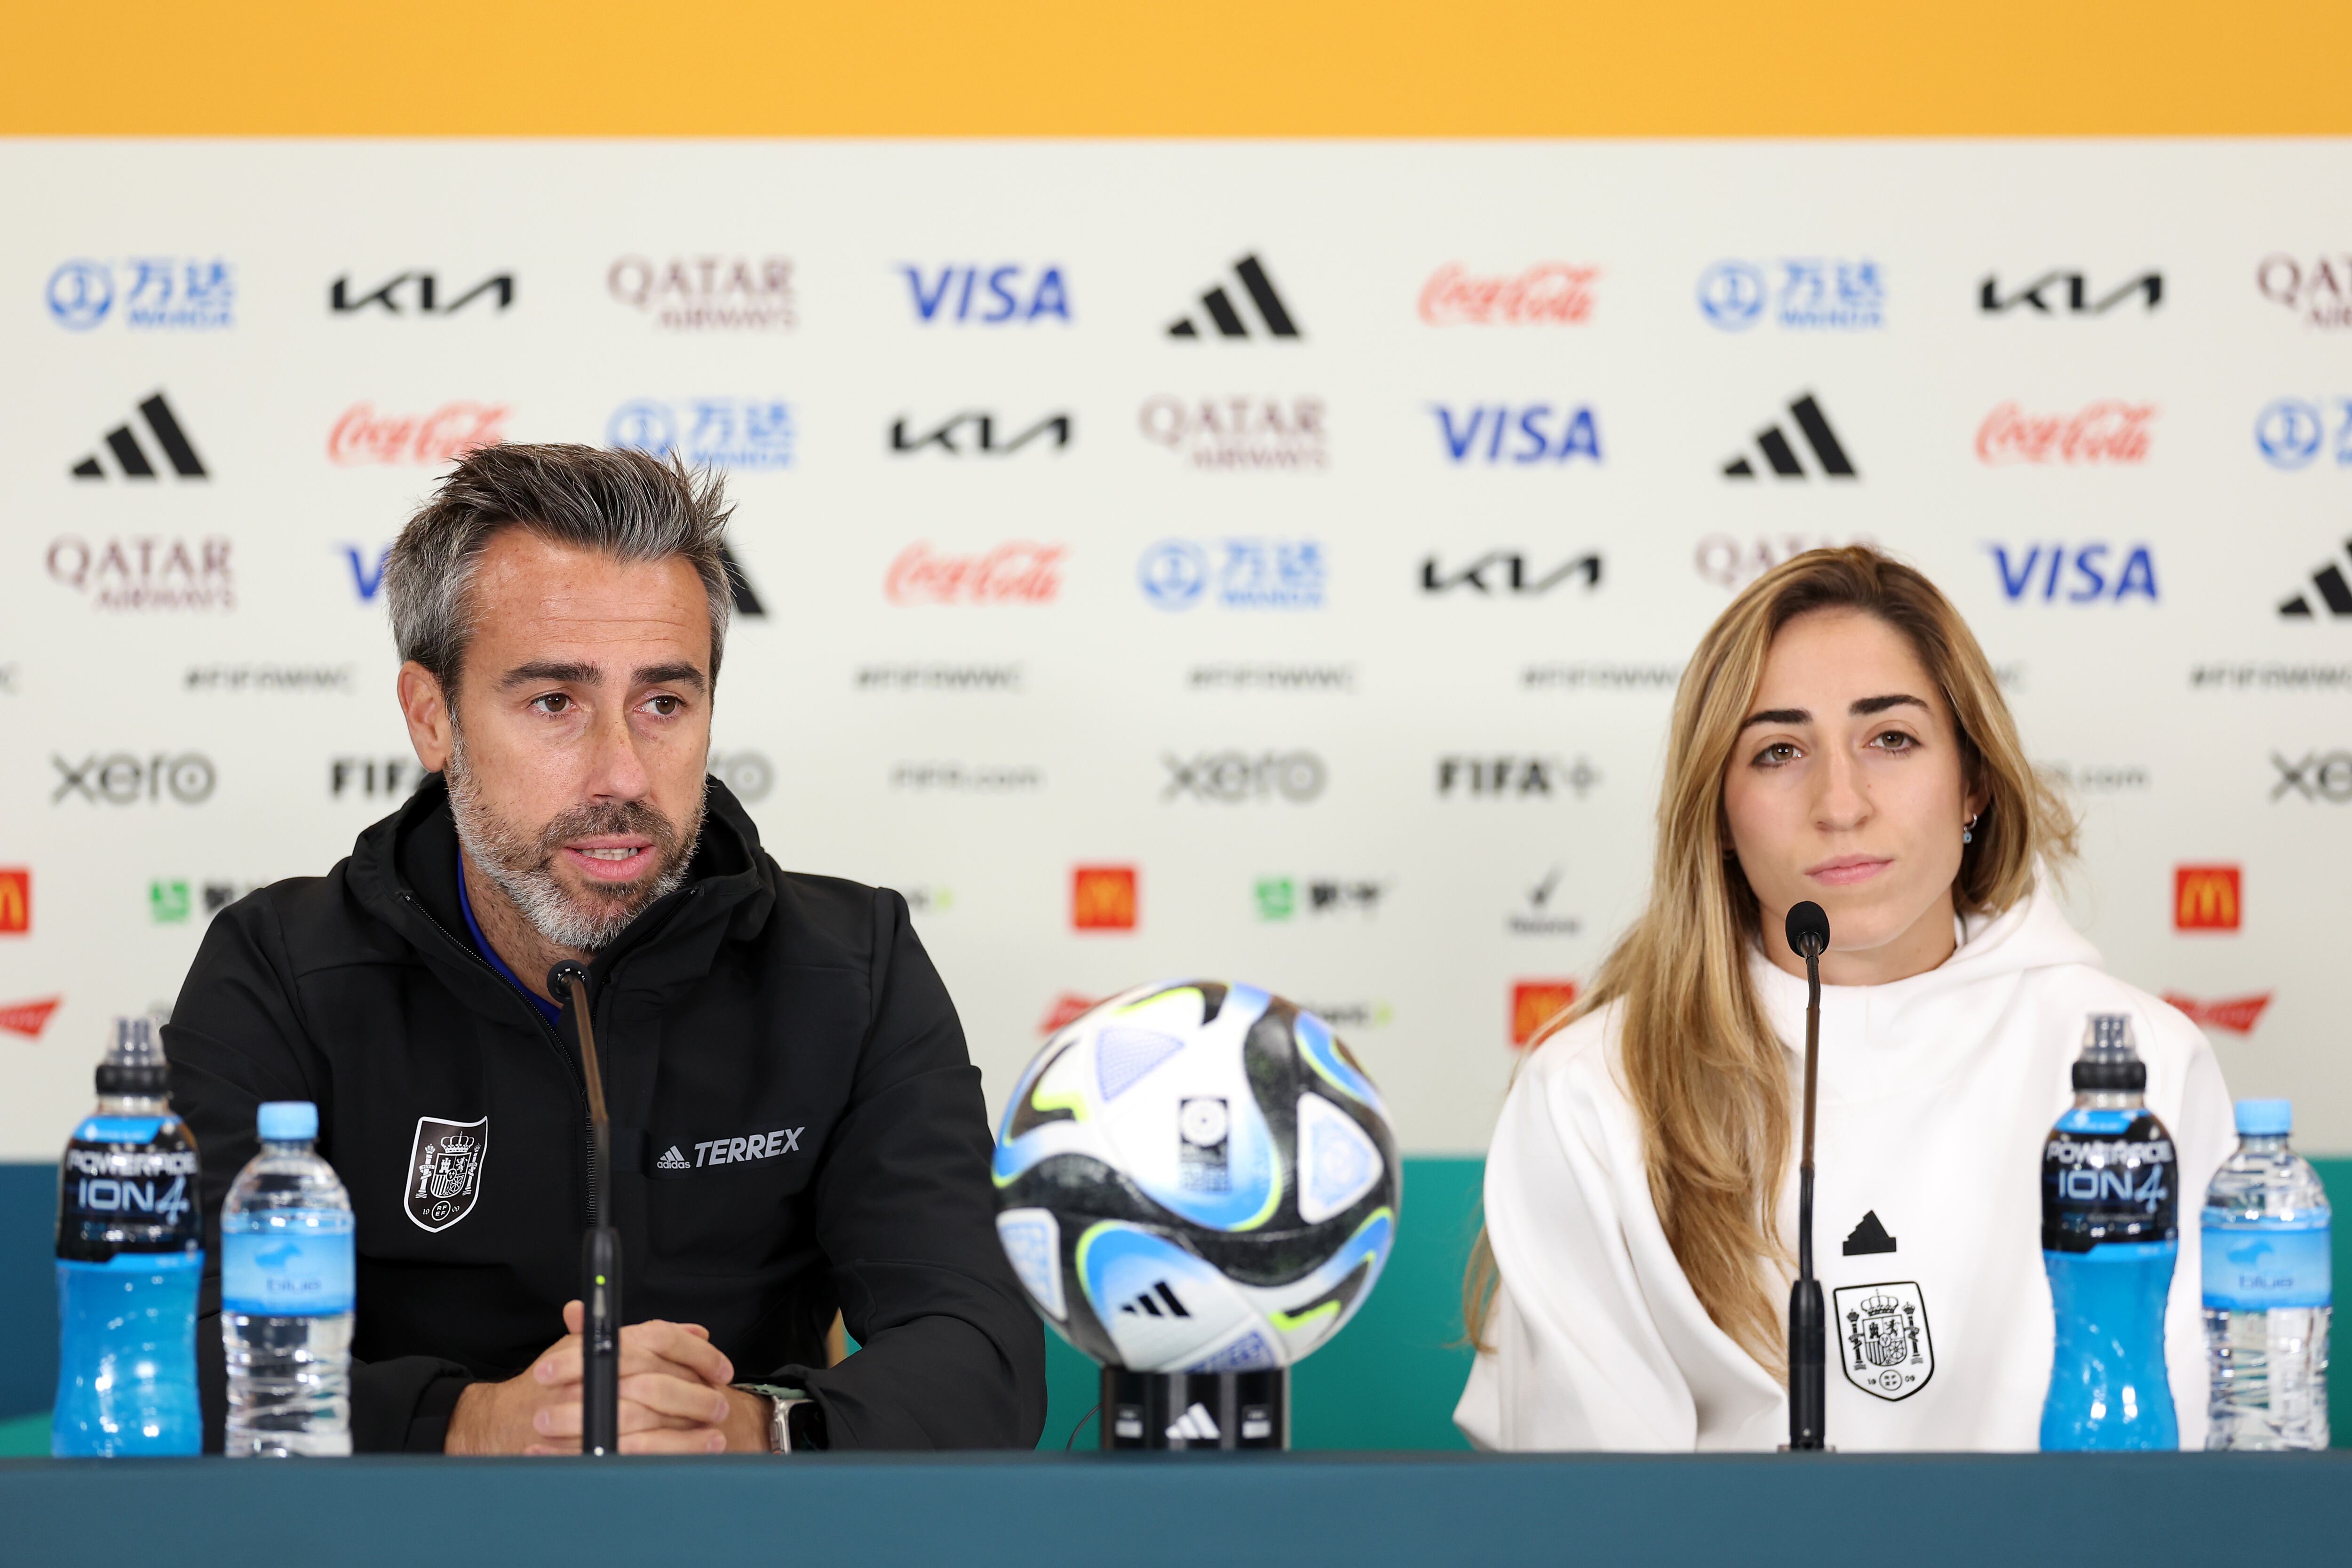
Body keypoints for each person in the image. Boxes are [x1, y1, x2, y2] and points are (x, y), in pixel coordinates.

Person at [166, 444, 1046, 1454]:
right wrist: (472, 1421)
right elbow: (176, 1351)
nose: (621, 771)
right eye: (554, 703)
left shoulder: (853, 964)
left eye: (664, 702)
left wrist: (753, 1425)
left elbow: (985, 1348)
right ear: (431, 716)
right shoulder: (280, 968)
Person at [1455, 546, 2232, 1451]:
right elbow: (1582, 1509)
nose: (1840, 801)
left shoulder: (2141, 1063)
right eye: (1780, 750)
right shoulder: (1597, 1085)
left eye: (1891, 738)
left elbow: (2190, 1479)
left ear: (1973, 779)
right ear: (1720, 814)